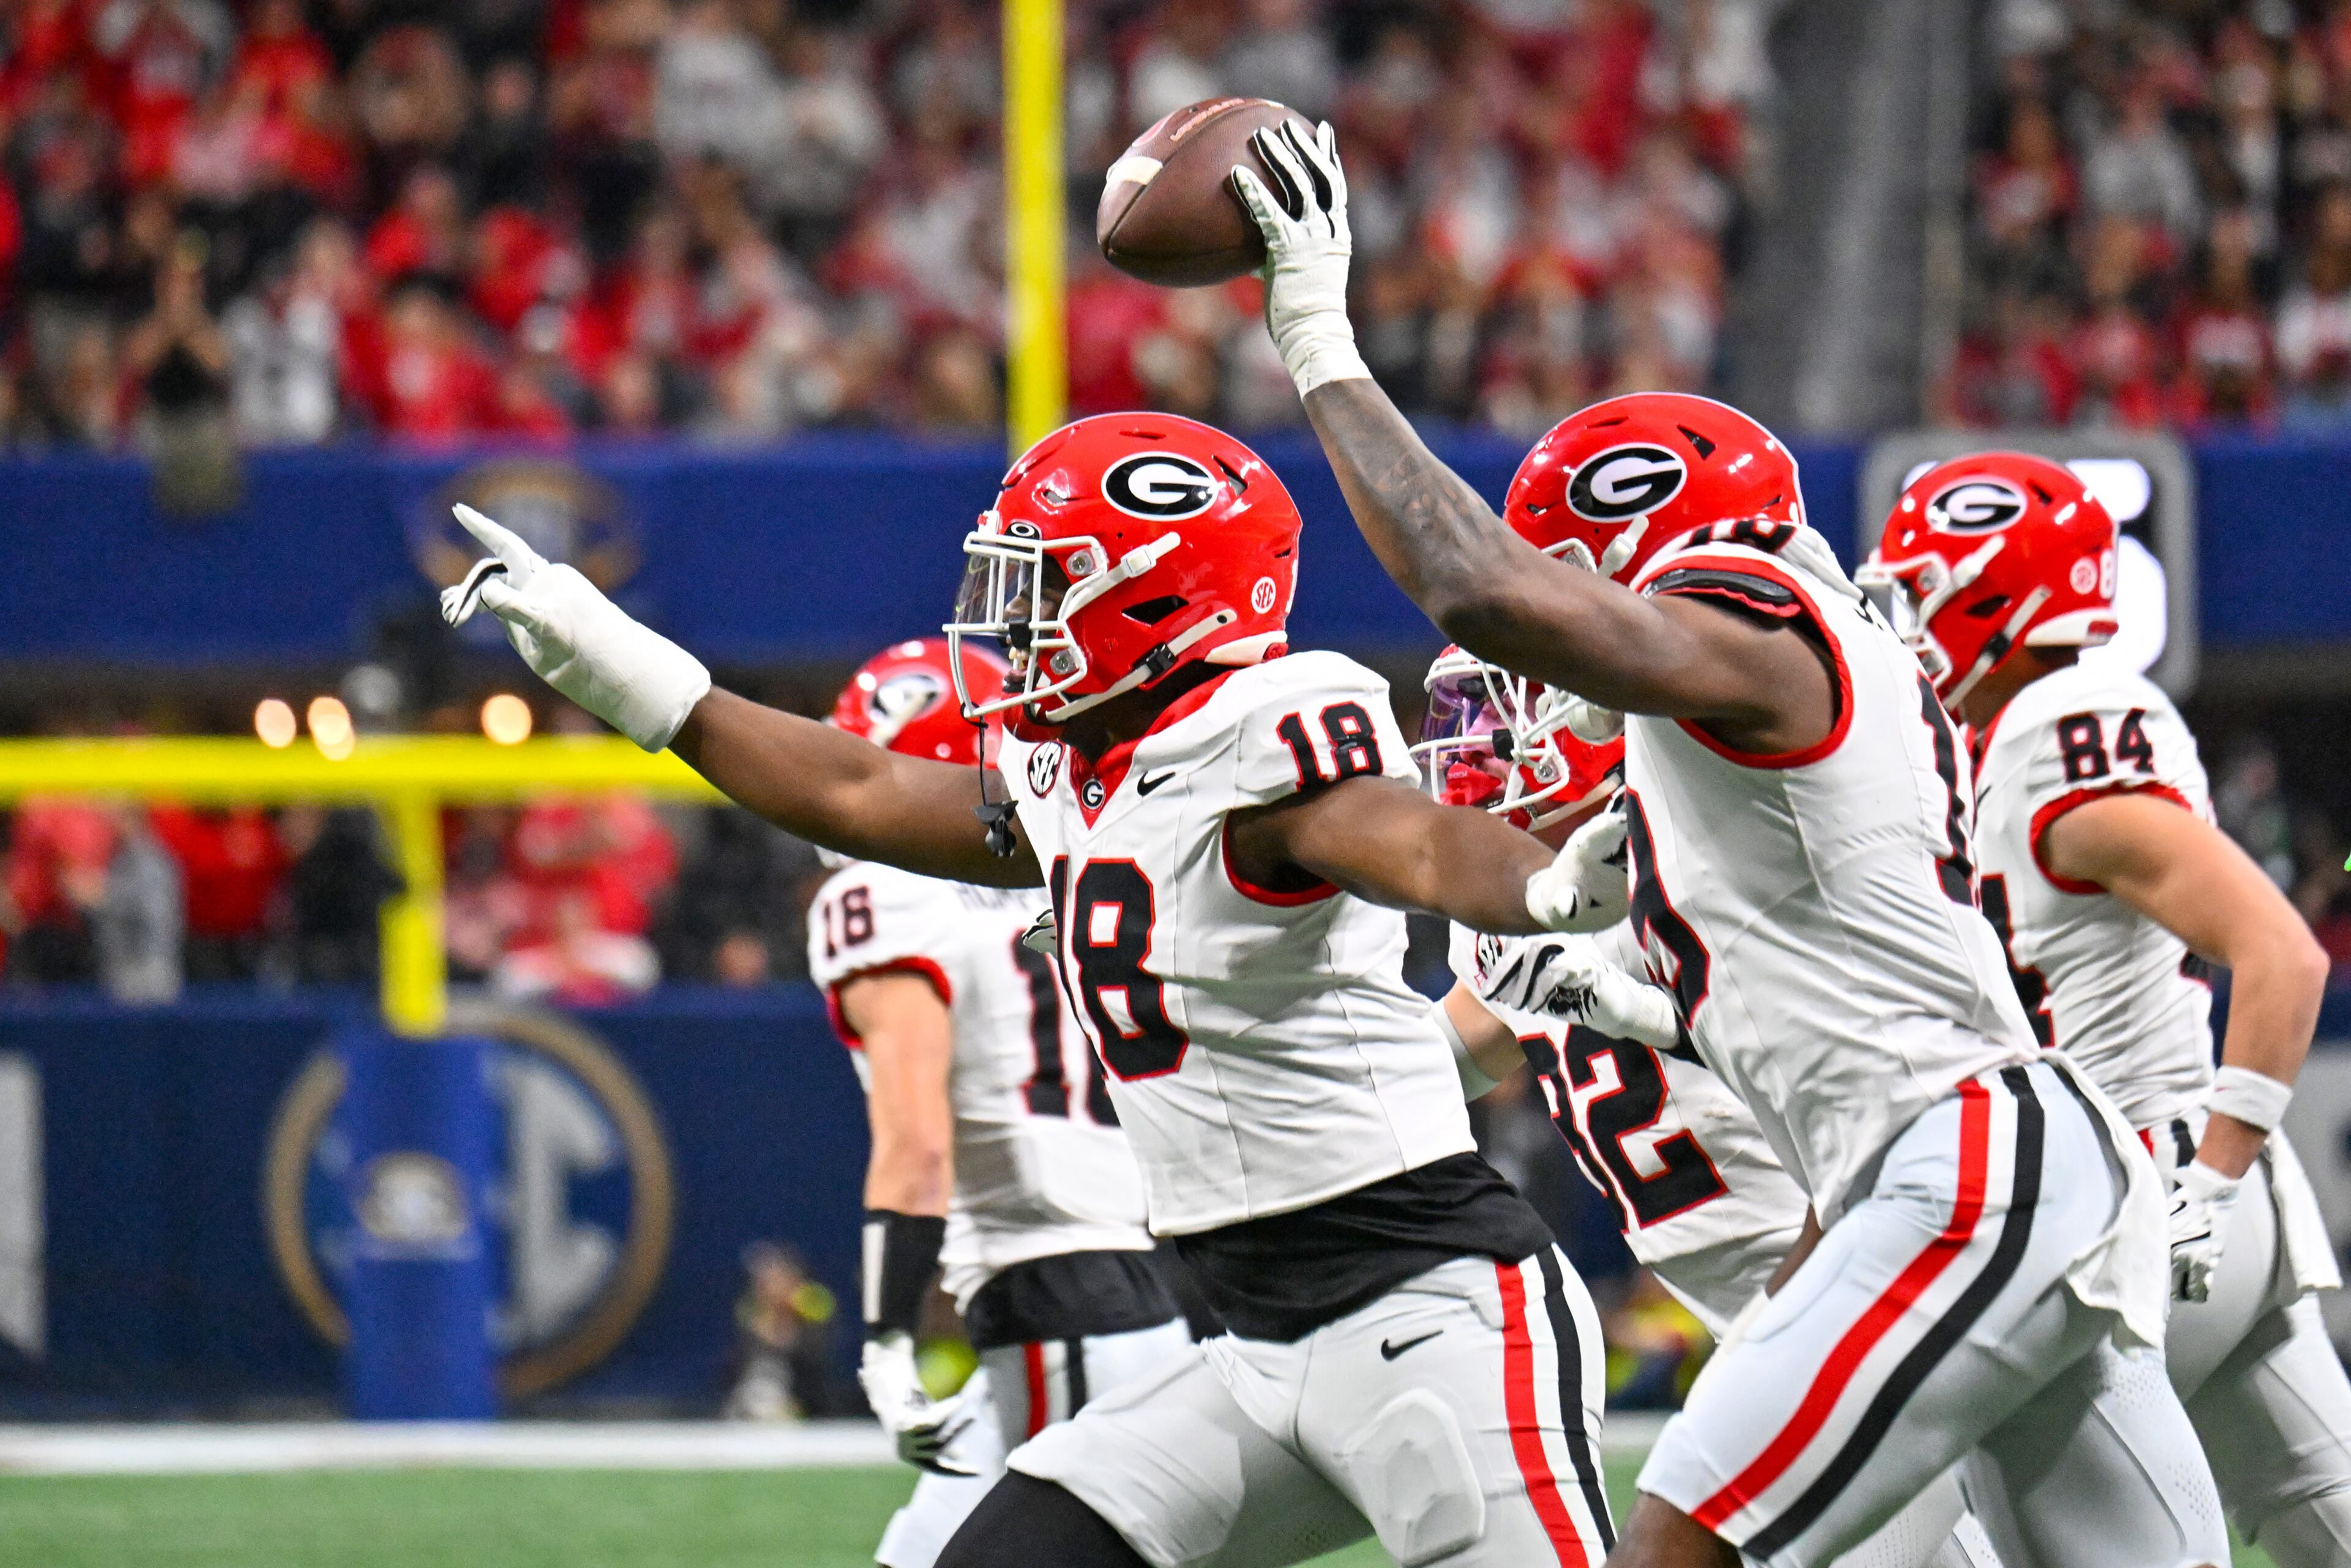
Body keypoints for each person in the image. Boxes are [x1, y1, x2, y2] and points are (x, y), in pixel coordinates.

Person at [1232, 120, 2225, 1568]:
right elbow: (1799, 1001)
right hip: (1962, 1181)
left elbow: (1482, 596)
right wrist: (1618, 1001)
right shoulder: (1748, 733)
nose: (1547, 628)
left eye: (1573, 567)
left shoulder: (1766, 620)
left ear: (1655, 549)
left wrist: (1318, 338)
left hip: (1968, 1180)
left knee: (1683, 1548)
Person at [438, 414, 1631, 1568]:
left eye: (1049, 585)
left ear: (1164, 595)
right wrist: (629, 670)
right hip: (1250, 1342)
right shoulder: (1075, 771)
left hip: (1429, 1315)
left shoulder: (1263, 741)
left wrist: (1544, 890)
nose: (1015, 626)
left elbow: (1413, 843)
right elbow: (856, 789)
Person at [1862, 451, 2351, 1566]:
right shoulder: (1979, 750)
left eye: (1920, 589)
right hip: (2179, 1195)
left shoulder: (2055, 731)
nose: (1903, 621)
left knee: (1893, 1511)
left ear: (2002, 598)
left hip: (2136, 1209)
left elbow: (2280, 950)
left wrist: (2214, 1178)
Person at [1420, 646, 2001, 1568]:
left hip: (1866, 1305)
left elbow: (1872, 1132)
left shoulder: (1702, 873)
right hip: (1789, 1325)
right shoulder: (1532, 907)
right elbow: (1424, 1067)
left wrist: (1782, 1336)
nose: (1470, 752)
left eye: (1496, 720)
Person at [808, 635, 1191, 1568]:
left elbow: (917, 1145)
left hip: (1054, 1296)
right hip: (1137, 1278)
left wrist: (886, 1334)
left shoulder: (883, 896)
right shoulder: (1069, 864)